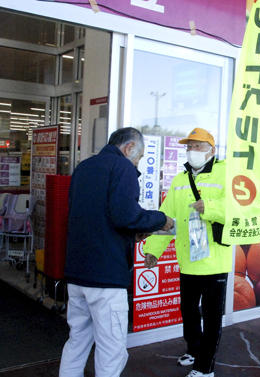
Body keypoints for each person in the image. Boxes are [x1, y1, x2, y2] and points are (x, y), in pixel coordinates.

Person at [60, 127, 174, 377]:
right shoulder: (122, 168)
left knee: (77, 342)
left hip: (77, 275)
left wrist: (130, 234)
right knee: (111, 349)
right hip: (106, 279)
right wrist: (160, 219)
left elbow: (96, 217)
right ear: (129, 147)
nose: (138, 163)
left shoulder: (83, 168)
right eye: (139, 157)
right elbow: (127, 215)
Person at [143, 128, 231, 377]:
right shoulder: (180, 180)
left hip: (215, 261)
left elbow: (237, 212)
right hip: (188, 260)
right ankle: (194, 348)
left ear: (211, 151)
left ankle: (205, 367)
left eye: (197, 146)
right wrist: (153, 250)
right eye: (189, 146)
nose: (192, 151)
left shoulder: (226, 174)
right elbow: (167, 217)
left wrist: (210, 207)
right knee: (189, 311)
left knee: (212, 318)